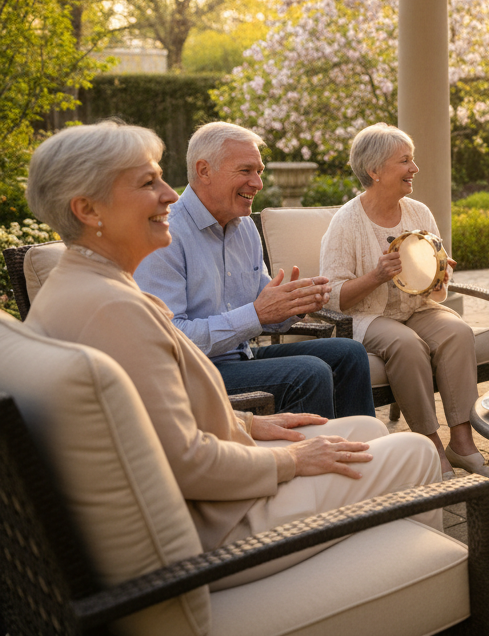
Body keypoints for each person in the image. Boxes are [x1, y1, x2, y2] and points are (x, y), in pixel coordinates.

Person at [24, 121, 442, 578]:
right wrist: (293, 459)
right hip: (216, 528)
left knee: (362, 417)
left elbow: (157, 413)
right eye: (149, 182)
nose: (168, 194)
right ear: (86, 209)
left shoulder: (95, 291)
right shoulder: (111, 309)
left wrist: (249, 414)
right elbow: (189, 458)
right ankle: (393, 572)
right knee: (413, 452)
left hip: (217, 462)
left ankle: (374, 550)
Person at [134, 122, 373, 420]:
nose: (258, 183)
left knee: (348, 355)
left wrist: (293, 305)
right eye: (246, 171)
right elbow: (170, 339)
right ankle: (306, 463)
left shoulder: (243, 226)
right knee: (308, 373)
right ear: (204, 170)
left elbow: (262, 306)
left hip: (240, 357)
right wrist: (258, 314)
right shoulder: (165, 234)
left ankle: (358, 454)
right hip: (190, 373)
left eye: (259, 171)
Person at [320, 123, 489, 483]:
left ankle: (463, 444)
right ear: (374, 171)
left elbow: (434, 293)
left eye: (413, 159)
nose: (414, 169)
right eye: (404, 161)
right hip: (369, 316)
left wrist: (439, 276)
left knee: (457, 331)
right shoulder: (346, 223)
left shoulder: (418, 213)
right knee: (407, 346)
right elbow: (333, 297)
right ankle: (431, 447)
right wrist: (376, 276)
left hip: (417, 308)